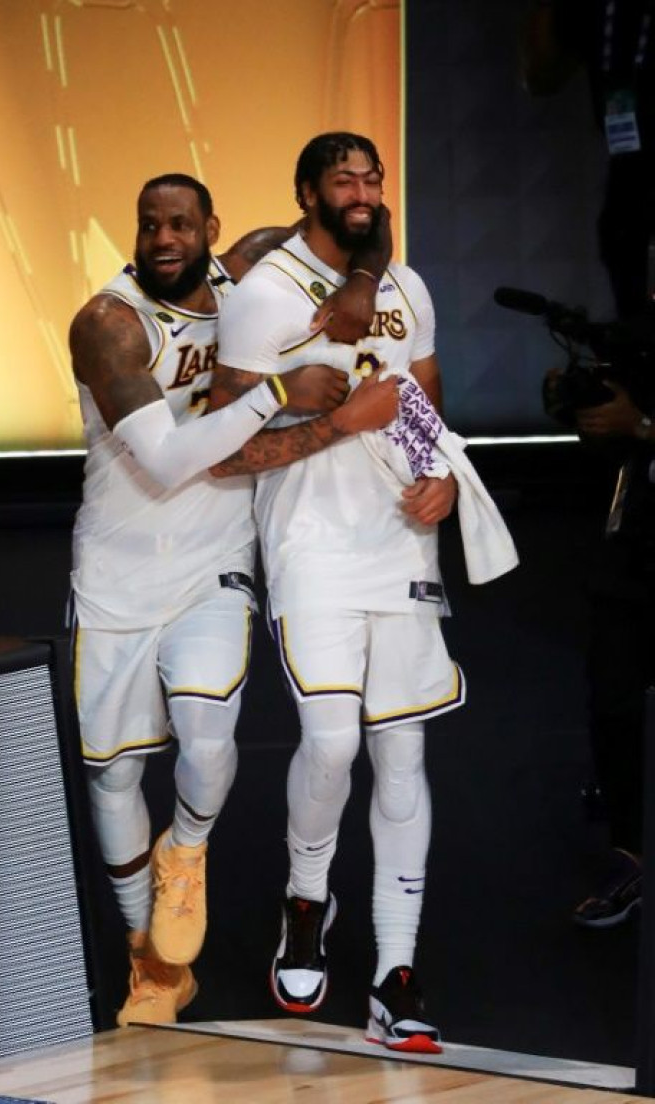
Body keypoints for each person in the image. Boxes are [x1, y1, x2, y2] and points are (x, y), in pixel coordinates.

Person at [68, 171, 400, 1027]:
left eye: (180, 223)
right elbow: (173, 461)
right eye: (149, 225)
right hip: (113, 574)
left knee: (207, 731)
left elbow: (366, 220)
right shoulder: (107, 325)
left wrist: (362, 284)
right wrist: (280, 397)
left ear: (212, 228)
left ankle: (186, 850)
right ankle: (152, 963)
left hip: (216, 558)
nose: (164, 238)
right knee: (112, 773)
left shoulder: (249, 271)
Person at [210, 132, 464, 1054]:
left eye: (372, 177)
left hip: (400, 537)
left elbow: (425, 400)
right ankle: (306, 900)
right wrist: (333, 423)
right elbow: (224, 451)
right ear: (306, 192)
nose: (360, 191)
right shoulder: (264, 295)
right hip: (310, 543)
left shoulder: (407, 287)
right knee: (330, 741)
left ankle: (397, 975)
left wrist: (439, 476)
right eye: (342, 179)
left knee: (402, 756)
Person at [523, 0, 655, 927]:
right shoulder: (632, 232)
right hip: (640, 502)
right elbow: (541, 68)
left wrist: (643, 424)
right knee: (613, 672)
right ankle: (633, 857)